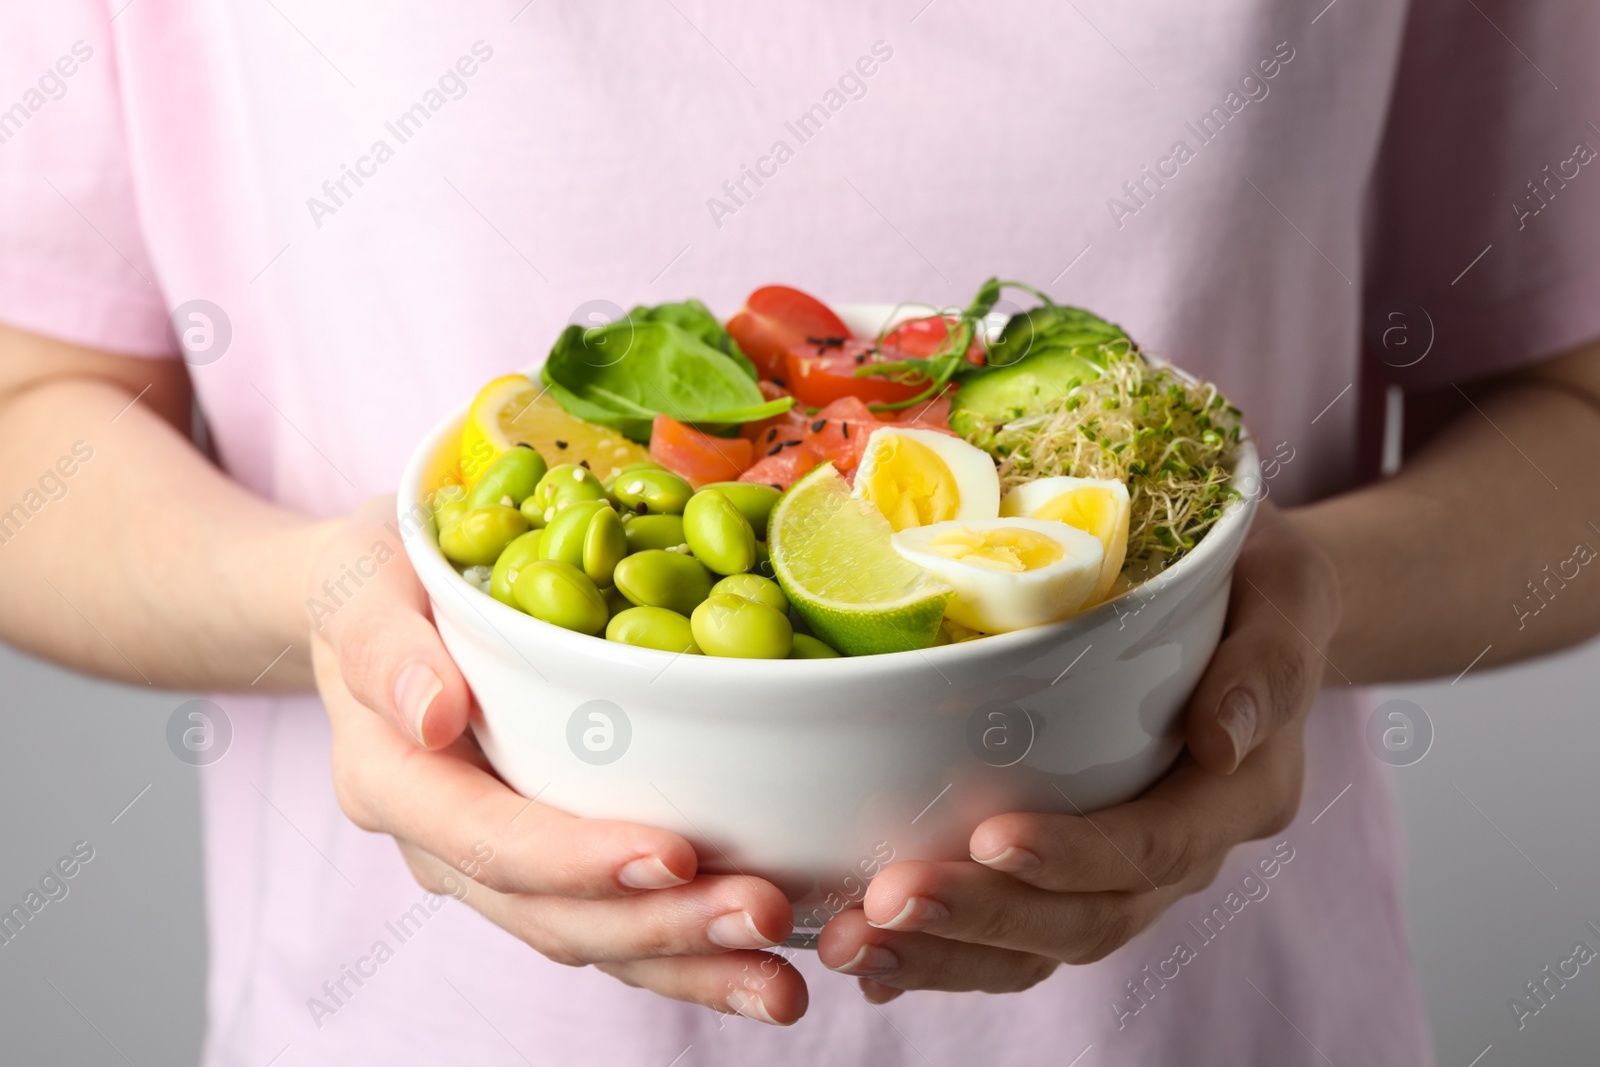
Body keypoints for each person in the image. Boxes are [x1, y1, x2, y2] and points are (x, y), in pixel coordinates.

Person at [2, 2, 1596, 1063]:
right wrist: (344, 607)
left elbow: (1571, 418)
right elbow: (33, 417)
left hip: (1213, 1021)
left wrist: (1296, 608)